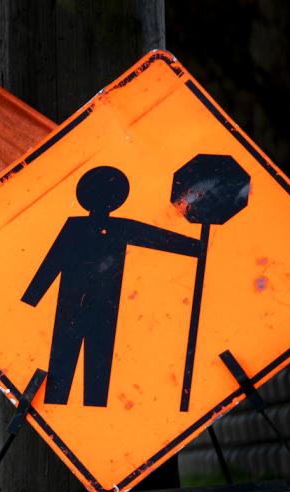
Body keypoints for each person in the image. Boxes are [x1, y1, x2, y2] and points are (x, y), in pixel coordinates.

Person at [21, 166, 201, 407]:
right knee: (62, 366)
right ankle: (60, 406)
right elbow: (51, 263)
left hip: (103, 306)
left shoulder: (117, 227)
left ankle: (93, 408)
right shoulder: (76, 227)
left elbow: (155, 237)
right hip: (72, 305)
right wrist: (31, 298)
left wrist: (197, 248)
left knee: (98, 365)